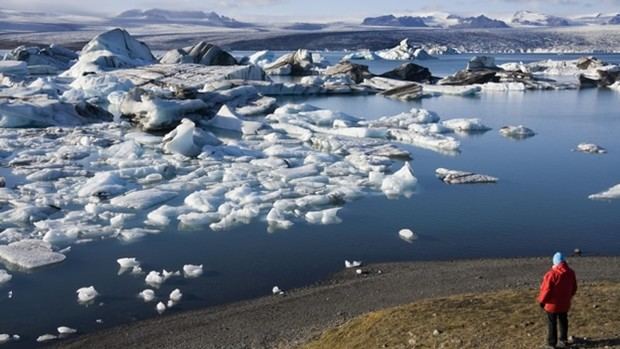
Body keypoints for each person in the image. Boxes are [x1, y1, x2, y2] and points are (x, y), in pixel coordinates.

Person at [537, 252, 578, 348]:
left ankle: (552, 343)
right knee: (563, 320)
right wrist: (568, 296)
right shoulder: (571, 272)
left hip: (552, 305)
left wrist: (542, 301)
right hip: (565, 303)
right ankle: (563, 340)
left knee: (552, 323)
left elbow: (545, 290)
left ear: (555, 262)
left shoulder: (551, 274)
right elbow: (574, 287)